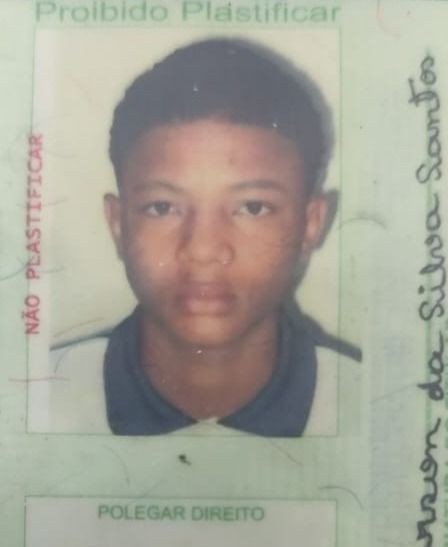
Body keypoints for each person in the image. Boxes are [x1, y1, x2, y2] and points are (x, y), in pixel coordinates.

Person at [50, 38, 361, 436]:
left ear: (311, 225)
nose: (203, 250)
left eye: (252, 207)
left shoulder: (369, 408)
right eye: (162, 207)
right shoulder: (39, 396)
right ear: (118, 224)